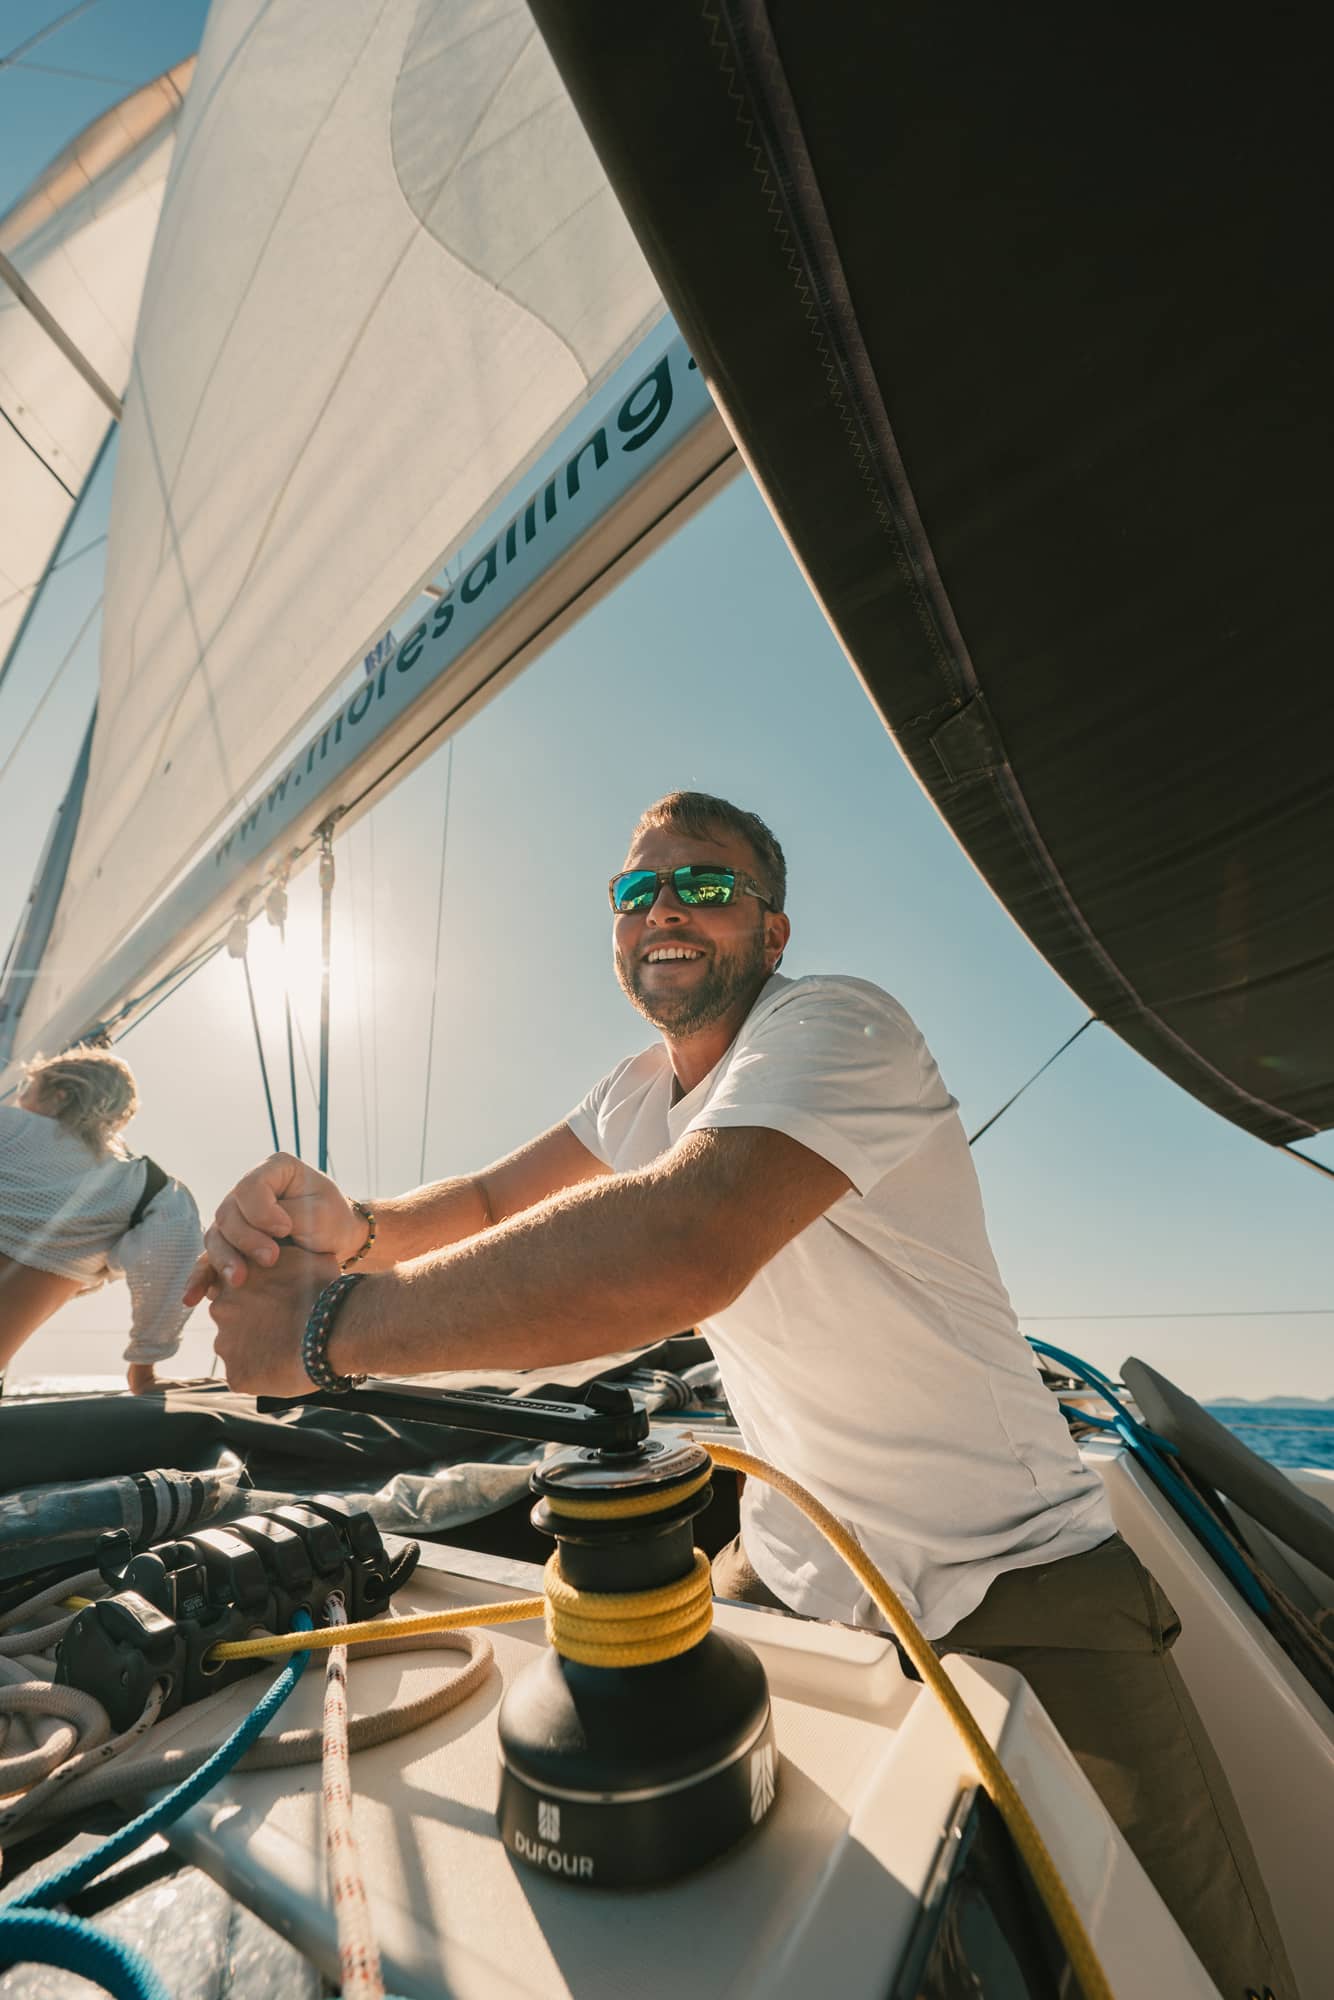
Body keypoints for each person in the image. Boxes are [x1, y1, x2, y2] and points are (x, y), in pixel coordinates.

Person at [194, 790, 1291, 1999]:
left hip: (1016, 1572)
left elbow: (686, 1238)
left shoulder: (838, 1023)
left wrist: (323, 1330)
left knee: (1195, 1962)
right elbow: (486, 1205)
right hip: (801, 1572)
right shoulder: (630, 1095)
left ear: (771, 932)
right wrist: (337, 1223)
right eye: (637, 890)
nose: (663, 907)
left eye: (705, 886)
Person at [0, 1044, 203, 1395]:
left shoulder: (8, 1125)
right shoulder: (145, 1187)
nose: (18, 1101)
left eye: (27, 1091)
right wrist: (144, 1367)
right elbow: (176, 1256)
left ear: (60, 1097)